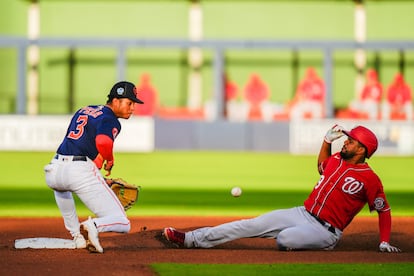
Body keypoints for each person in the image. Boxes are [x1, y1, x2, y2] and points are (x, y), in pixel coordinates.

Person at [161, 124, 401, 253]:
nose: (345, 141)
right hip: (302, 213)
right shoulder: (337, 158)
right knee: (250, 224)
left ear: (362, 150)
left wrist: (383, 241)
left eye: (351, 140)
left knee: (284, 240)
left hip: (327, 231)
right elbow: (321, 166)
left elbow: (384, 210)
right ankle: (191, 239)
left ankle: (321, 244)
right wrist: (326, 142)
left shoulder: (370, 179)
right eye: (346, 139)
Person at [44, 81, 144, 253]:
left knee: (63, 189)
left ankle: (77, 237)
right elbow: (103, 141)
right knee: (123, 222)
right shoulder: (110, 119)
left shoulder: (85, 109)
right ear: (116, 101)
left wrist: (99, 174)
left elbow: (83, 149)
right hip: (78, 171)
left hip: (54, 170)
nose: (133, 108)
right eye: (129, 102)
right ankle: (93, 225)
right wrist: (110, 159)